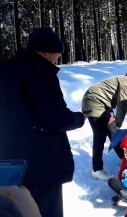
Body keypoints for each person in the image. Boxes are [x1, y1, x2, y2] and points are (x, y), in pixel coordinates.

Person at [0, 27, 86, 217]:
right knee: (46, 209)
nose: (57, 59)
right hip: (40, 162)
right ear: (46, 51)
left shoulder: (6, 69)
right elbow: (57, 118)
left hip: (8, 160)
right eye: (57, 54)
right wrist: (80, 118)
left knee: (14, 209)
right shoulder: (40, 73)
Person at [82, 62, 127, 181]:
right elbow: (122, 105)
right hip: (94, 101)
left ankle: (125, 160)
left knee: (114, 133)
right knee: (100, 136)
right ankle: (96, 169)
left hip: (103, 104)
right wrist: (118, 123)